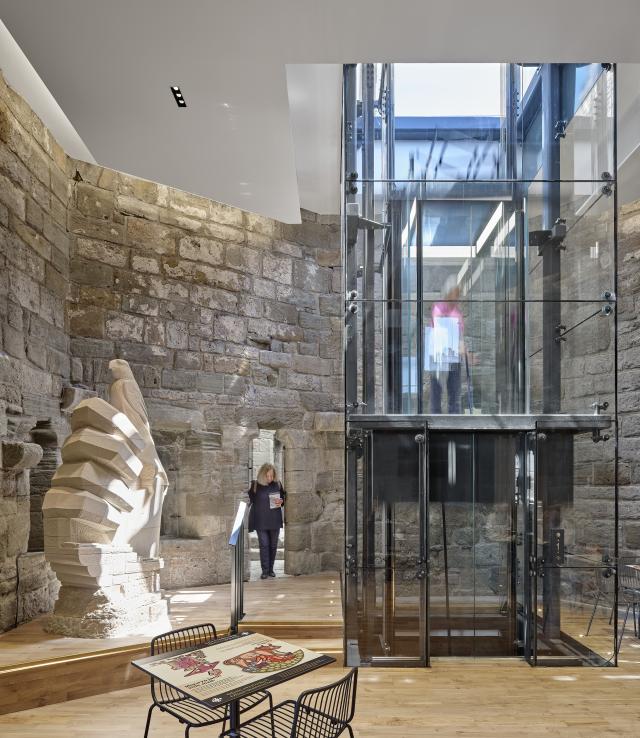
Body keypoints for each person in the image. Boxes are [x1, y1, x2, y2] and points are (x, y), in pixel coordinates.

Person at [428, 275, 465, 414]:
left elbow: (460, 331)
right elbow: (439, 325)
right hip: (439, 353)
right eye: (456, 292)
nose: (457, 296)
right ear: (449, 292)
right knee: (436, 390)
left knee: (454, 389)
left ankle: (454, 419)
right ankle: (435, 417)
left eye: (458, 293)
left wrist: (461, 345)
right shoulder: (438, 306)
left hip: (454, 354)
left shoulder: (457, 311)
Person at [247, 463, 285, 579]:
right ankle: (265, 570)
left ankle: (271, 569)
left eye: (271, 476)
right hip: (261, 520)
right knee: (264, 545)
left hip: (274, 520)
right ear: (262, 475)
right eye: (267, 476)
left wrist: (281, 501)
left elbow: (283, 497)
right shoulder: (255, 485)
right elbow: (250, 500)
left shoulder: (277, 484)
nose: (270, 478)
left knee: (273, 545)